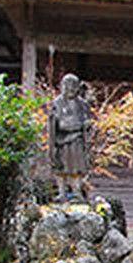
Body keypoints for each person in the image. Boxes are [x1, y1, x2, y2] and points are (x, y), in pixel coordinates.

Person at [49, 73, 92, 201]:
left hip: (77, 140)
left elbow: (86, 121)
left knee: (76, 168)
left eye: (73, 87)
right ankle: (61, 192)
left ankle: (77, 192)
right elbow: (57, 123)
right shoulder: (58, 102)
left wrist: (85, 125)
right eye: (67, 87)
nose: (70, 90)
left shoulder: (82, 104)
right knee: (61, 167)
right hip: (61, 141)